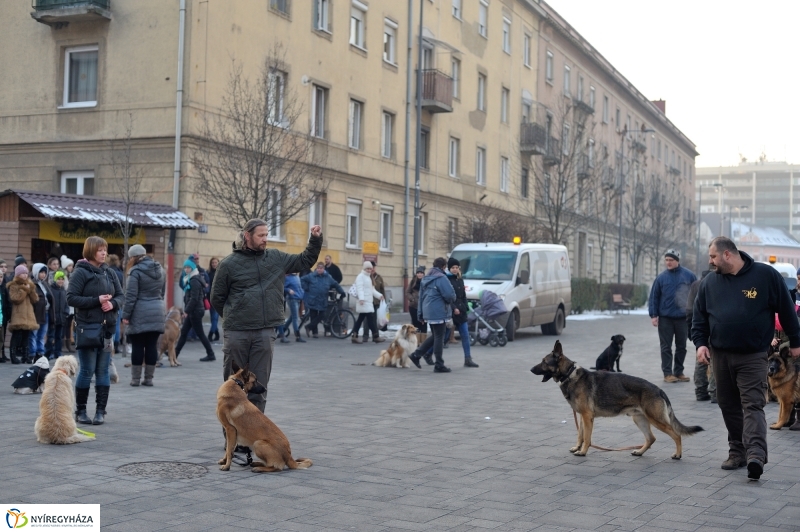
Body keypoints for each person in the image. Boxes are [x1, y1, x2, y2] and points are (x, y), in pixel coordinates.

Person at [692, 237, 800, 481]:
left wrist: (795, 341)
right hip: (720, 355)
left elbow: (786, 308)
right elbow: (699, 317)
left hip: (753, 354)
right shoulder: (710, 283)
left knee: (752, 404)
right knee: (728, 405)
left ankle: (756, 455)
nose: (710, 261)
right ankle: (737, 452)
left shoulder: (765, 276)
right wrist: (700, 344)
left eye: (713, 257)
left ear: (727, 254)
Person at [210, 218, 322, 413]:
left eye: (266, 235)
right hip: (237, 333)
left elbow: (304, 261)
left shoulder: (275, 257)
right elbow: (217, 298)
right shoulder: (228, 264)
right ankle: (232, 432)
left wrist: (315, 239)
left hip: (264, 332)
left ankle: (253, 430)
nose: (265, 239)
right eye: (261, 235)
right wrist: (235, 315)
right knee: (234, 389)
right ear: (247, 236)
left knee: (258, 388)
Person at [67, 236, 124, 425]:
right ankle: (81, 411)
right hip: (88, 329)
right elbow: (71, 298)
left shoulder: (110, 272)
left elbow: (121, 295)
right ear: (91, 251)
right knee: (87, 370)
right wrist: (96, 301)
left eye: (105, 249)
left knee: (103, 370)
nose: (104, 253)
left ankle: (100, 411)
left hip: (107, 330)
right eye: (100, 250)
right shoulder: (80, 272)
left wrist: (113, 304)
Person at [648, 249, 697, 383]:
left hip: (683, 318)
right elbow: (654, 297)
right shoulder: (661, 278)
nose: (668, 262)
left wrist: (695, 313)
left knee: (681, 346)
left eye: (671, 260)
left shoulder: (689, 276)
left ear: (677, 261)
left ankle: (679, 372)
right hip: (665, 318)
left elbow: (696, 295)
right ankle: (667, 373)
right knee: (666, 347)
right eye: (666, 260)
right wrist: (653, 315)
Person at [121, 244, 166, 387]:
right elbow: (162, 293)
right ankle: (149, 379)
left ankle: (135, 379)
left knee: (138, 346)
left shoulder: (135, 271)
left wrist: (126, 314)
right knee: (152, 345)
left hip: (139, 312)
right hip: (157, 310)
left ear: (133, 257)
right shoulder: (160, 270)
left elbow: (131, 296)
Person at [409, 257, 457, 373]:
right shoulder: (441, 278)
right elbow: (450, 295)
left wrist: (420, 314)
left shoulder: (426, 278)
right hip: (439, 311)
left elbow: (421, 298)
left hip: (428, 311)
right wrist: (451, 300)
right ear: (443, 267)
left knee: (436, 335)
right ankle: (439, 364)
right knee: (439, 337)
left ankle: (416, 355)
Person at [175, 259, 216, 362]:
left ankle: (211, 354)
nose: (186, 269)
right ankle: (175, 353)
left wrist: (186, 311)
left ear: (192, 268)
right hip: (194, 311)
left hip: (195, 311)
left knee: (200, 334)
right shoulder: (191, 278)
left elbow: (194, 299)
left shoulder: (194, 280)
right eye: (185, 267)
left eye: (188, 267)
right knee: (184, 332)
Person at [686, 270, 715, 402]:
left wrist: (691, 330)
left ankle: (700, 391)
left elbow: (689, 310)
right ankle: (715, 392)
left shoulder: (696, 285)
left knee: (701, 359)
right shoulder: (716, 283)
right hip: (714, 327)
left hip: (699, 327)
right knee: (715, 361)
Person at [446, 257, 479, 368]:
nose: (455, 269)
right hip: (451, 312)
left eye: (457, 267)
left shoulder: (460, 279)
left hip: (461, 312)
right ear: (449, 269)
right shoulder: (446, 280)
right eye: (453, 268)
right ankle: (428, 353)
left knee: (465, 335)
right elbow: (447, 297)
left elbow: (463, 295)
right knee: (444, 337)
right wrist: (453, 308)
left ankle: (468, 359)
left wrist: (465, 306)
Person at [301, 262, 345, 338]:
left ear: (323, 269)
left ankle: (309, 327)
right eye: (318, 268)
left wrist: (342, 292)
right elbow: (302, 279)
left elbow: (336, 284)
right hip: (313, 299)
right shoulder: (311, 276)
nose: (319, 270)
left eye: (321, 268)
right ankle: (315, 333)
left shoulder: (328, 277)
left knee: (322, 315)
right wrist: (306, 288)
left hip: (323, 299)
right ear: (316, 268)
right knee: (313, 316)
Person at [7, 264, 38, 365]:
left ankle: (26, 356)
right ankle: (13, 356)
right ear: (17, 274)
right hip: (18, 314)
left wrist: (30, 290)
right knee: (16, 335)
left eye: (26, 273)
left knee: (26, 336)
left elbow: (35, 299)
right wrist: (24, 290)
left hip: (28, 315)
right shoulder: (13, 285)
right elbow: (16, 299)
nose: (25, 275)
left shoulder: (30, 284)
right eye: (22, 273)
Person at [351, 261, 385, 345]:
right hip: (364, 302)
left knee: (361, 319)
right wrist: (361, 299)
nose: (369, 270)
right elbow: (359, 288)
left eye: (370, 268)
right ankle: (375, 336)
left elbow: (372, 290)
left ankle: (354, 335)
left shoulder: (369, 277)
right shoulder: (360, 276)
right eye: (368, 268)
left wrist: (379, 296)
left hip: (368, 302)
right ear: (364, 268)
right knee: (370, 319)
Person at [29, 263, 54, 362]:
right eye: (41, 272)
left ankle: (40, 352)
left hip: (46, 312)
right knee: (34, 334)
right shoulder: (32, 284)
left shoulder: (44, 284)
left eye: (45, 272)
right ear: (36, 272)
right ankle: (32, 353)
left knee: (42, 334)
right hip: (36, 313)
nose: (43, 275)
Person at [45, 271, 69, 360]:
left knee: (59, 336)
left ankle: (58, 352)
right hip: (53, 317)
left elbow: (66, 304)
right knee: (51, 336)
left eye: (62, 279)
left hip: (61, 317)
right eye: (59, 279)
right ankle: (49, 352)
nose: (60, 281)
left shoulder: (64, 291)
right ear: (55, 279)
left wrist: (66, 313)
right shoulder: (51, 290)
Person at [406, 265, 428, 350]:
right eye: (418, 273)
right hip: (414, 306)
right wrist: (412, 299)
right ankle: (417, 342)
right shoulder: (413, 282)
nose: (419, 274)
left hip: (424, 306)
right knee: (415, 324)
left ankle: (424, 343)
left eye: (421, 273)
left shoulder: (426, 282)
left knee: (424, 323)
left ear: (423, 274)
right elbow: (408, 292)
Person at [61, 255, 75, 353]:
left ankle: (68, 344)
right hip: (65, 303)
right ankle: (63, 345)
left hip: (71, 304)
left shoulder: (71, 276)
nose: (71, 267)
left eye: (72, 266)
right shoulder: (63, 276)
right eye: (69, 266)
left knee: (69, 324)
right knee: (64, 324)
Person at [207, 257, 220, 342]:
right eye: (213, 263)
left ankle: (211, 333)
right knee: (213, 318)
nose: (214, 264)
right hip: (210, 298)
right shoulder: (208, 273)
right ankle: (217, 333)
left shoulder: (221, 273)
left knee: (215, 317)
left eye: (215, 262)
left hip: (219, 299)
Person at [0, 259, 10, 363]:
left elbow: (7, 301)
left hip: (3, 314)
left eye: (5, 267)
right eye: (2, 266)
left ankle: (2, 354)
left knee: (2, 336)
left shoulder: (6, 283)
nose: (4, 269)